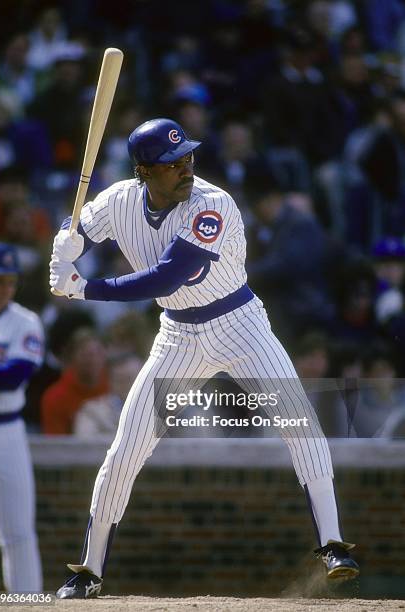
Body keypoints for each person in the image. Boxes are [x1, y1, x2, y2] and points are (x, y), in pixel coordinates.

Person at [49, 118, 359, 598]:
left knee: (300, 424)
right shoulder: (119, 199)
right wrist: (66, 240)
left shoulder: (212, 204)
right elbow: (80, 224)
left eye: (188, 157)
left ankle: (334, 544)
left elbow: (166, 278)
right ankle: (88, 572)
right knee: (126, 449)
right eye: (172, 164)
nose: (186, 168)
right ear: (143, 171)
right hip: (177, 336)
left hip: (239, 324)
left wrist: (84, 287)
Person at [0, 243, 44, 592]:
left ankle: (27, 603)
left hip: (6, 429)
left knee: (18, 531)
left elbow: (13, 375)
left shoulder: (25, 321)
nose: (5, 288)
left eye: (10, 281)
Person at [41, 327, 108, 434]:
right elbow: (55, 445)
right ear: (72, 358)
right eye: (85, 355)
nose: (92, 360)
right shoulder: (55, 397)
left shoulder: (115, 386)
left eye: (97, 353)